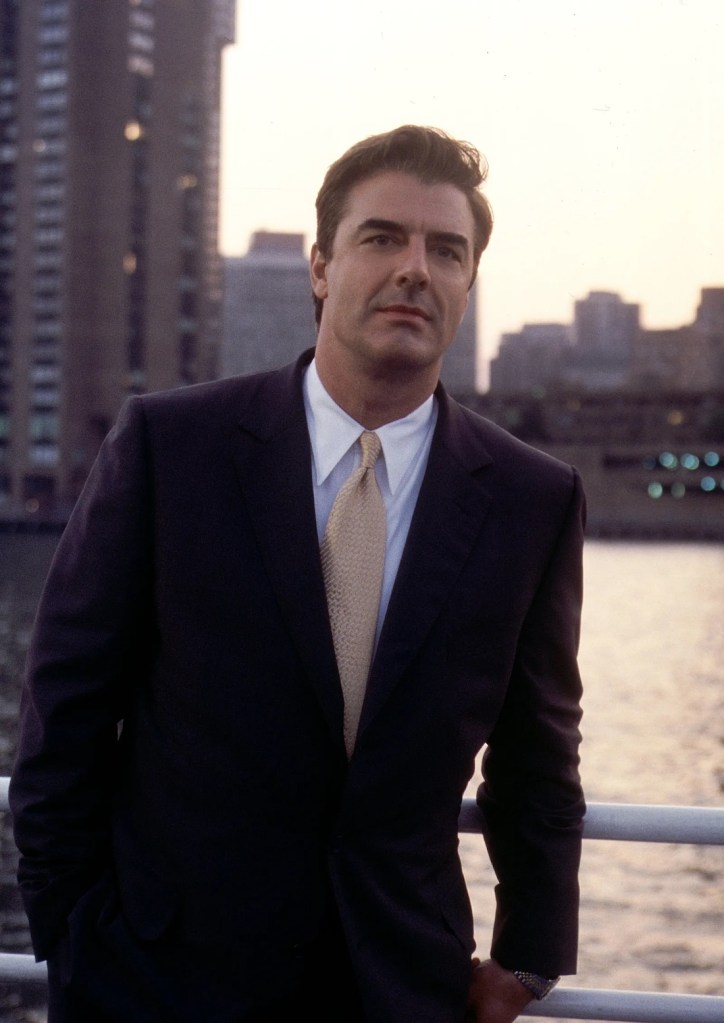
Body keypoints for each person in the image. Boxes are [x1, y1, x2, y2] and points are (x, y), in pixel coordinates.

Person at [10, 125, 586, 1023]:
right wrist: (74, 937)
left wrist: (531, 958)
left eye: (446, 250)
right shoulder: (172, 448)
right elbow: (64, 714)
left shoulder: (530, 499)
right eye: (382, 238)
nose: (415, 269)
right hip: (160, 984)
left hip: (402, 989)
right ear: (320, 267)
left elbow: (539, 756)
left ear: (468, 283)